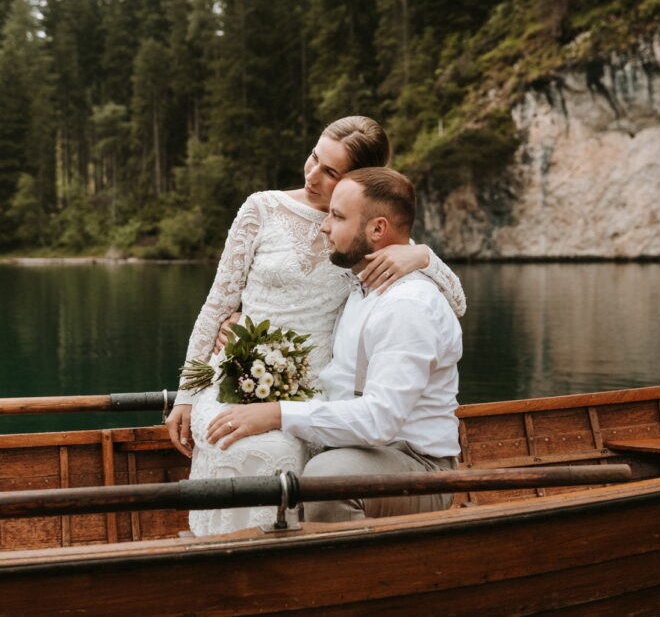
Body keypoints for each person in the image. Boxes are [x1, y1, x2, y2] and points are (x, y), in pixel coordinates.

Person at [166, 116, 465, 536]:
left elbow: (453, 302)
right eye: (313, 158)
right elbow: (217, 304)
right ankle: (223, 551)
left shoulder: (370, 232)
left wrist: (424, 257)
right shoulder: (263, 208)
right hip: (239, 366)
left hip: (318, 388)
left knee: (281, 453)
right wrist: (186, 394)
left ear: (356, 179)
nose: (312, 175)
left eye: (330, 171)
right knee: (235, 440)